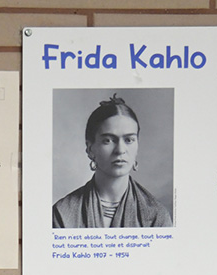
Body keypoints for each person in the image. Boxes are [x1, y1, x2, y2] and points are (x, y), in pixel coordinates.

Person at [52, 94, 173, 228]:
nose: (120, 150)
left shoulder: (156, 216)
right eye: (108, 140)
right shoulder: (62, 214)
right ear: (90, 148)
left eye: (129, 140)